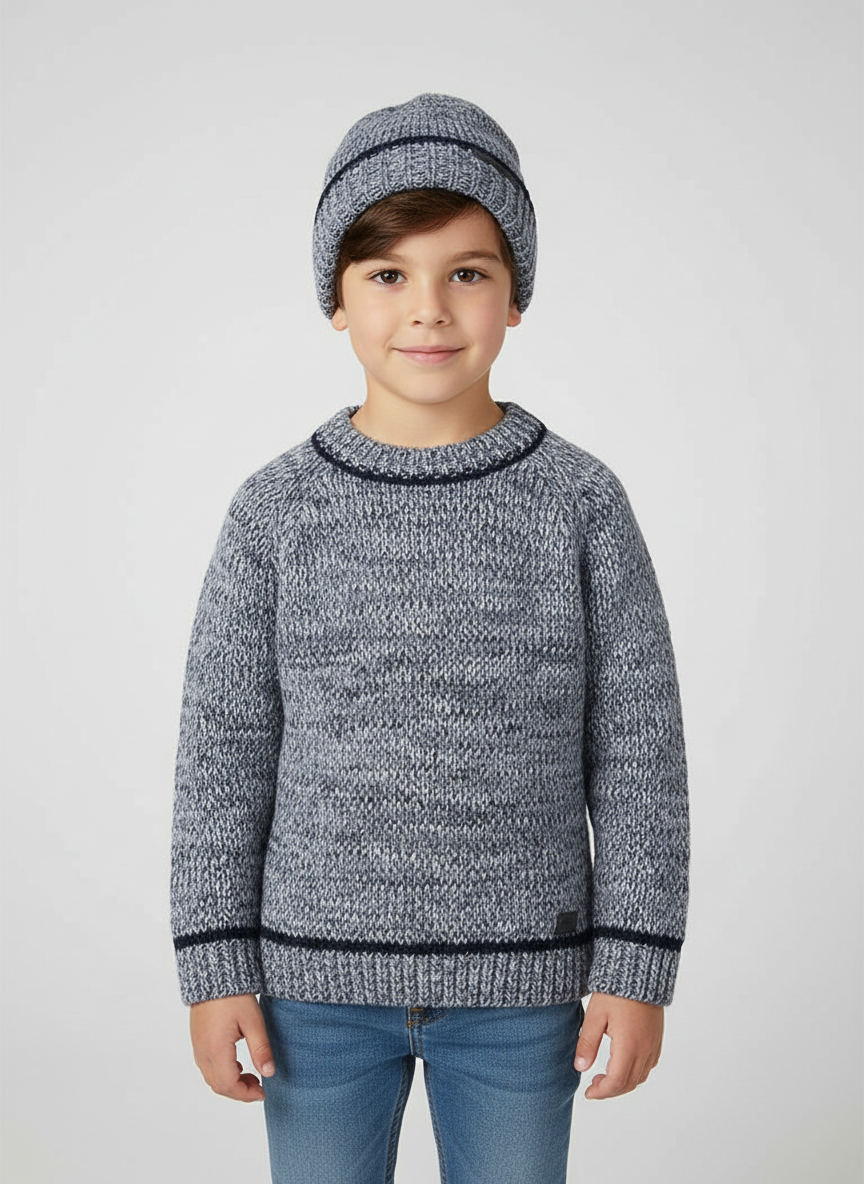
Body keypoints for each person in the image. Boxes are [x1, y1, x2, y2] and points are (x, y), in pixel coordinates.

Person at [170, 92, 691, 1184]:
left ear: (515, 295)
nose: (428, 310)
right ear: (336, 298)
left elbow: (640, 754)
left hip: (524, 993)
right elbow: (222, 753)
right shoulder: (274, 512)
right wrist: (214, 965)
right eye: (387, 275)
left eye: (467, 272)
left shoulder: (582, 504)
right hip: (311, 990)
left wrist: (637, 965)